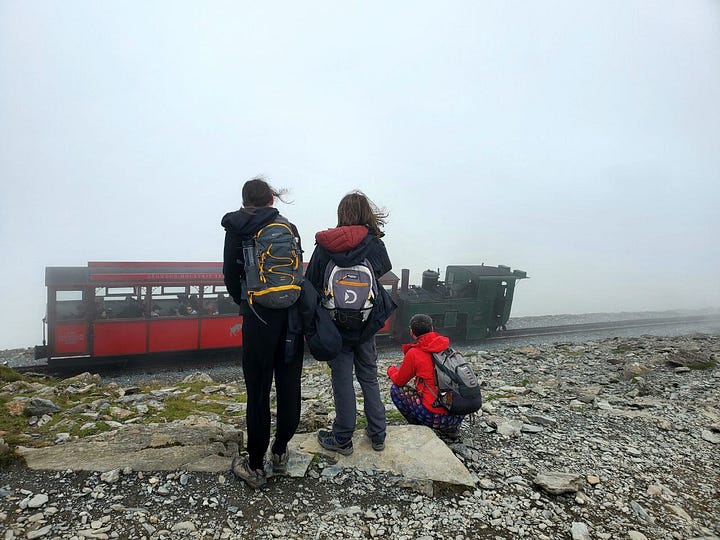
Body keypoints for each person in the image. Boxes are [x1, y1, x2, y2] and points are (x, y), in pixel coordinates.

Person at [221, 177, 304, 489]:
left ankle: (255, 464)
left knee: (257, 392)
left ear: (246, 201)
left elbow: (230, 273)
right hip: (291, 319)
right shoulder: (289, 228)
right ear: (271, 200)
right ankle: (280, 452)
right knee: (289, 384)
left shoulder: (239, 228)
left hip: (257, 318)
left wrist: (244, 299)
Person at [305, 191, 396, 455]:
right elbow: (381, 271)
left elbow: (312, 282)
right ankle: (377, 434)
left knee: (342, 378)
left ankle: (343, 437)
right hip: (366, 326)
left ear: (341, 214)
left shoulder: (325, 245)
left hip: (335, 327)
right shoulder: (375, 244)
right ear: (365, 213)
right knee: (368, 376)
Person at [386, 314, 464, 440]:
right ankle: (452, 429)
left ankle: (419, 427)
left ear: (412, 332)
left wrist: (391, 370)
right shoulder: (447, 348)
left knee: (396, 389)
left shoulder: (414, 353)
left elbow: (400, 381)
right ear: (432, 328)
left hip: (434, 417)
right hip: (458, 412)